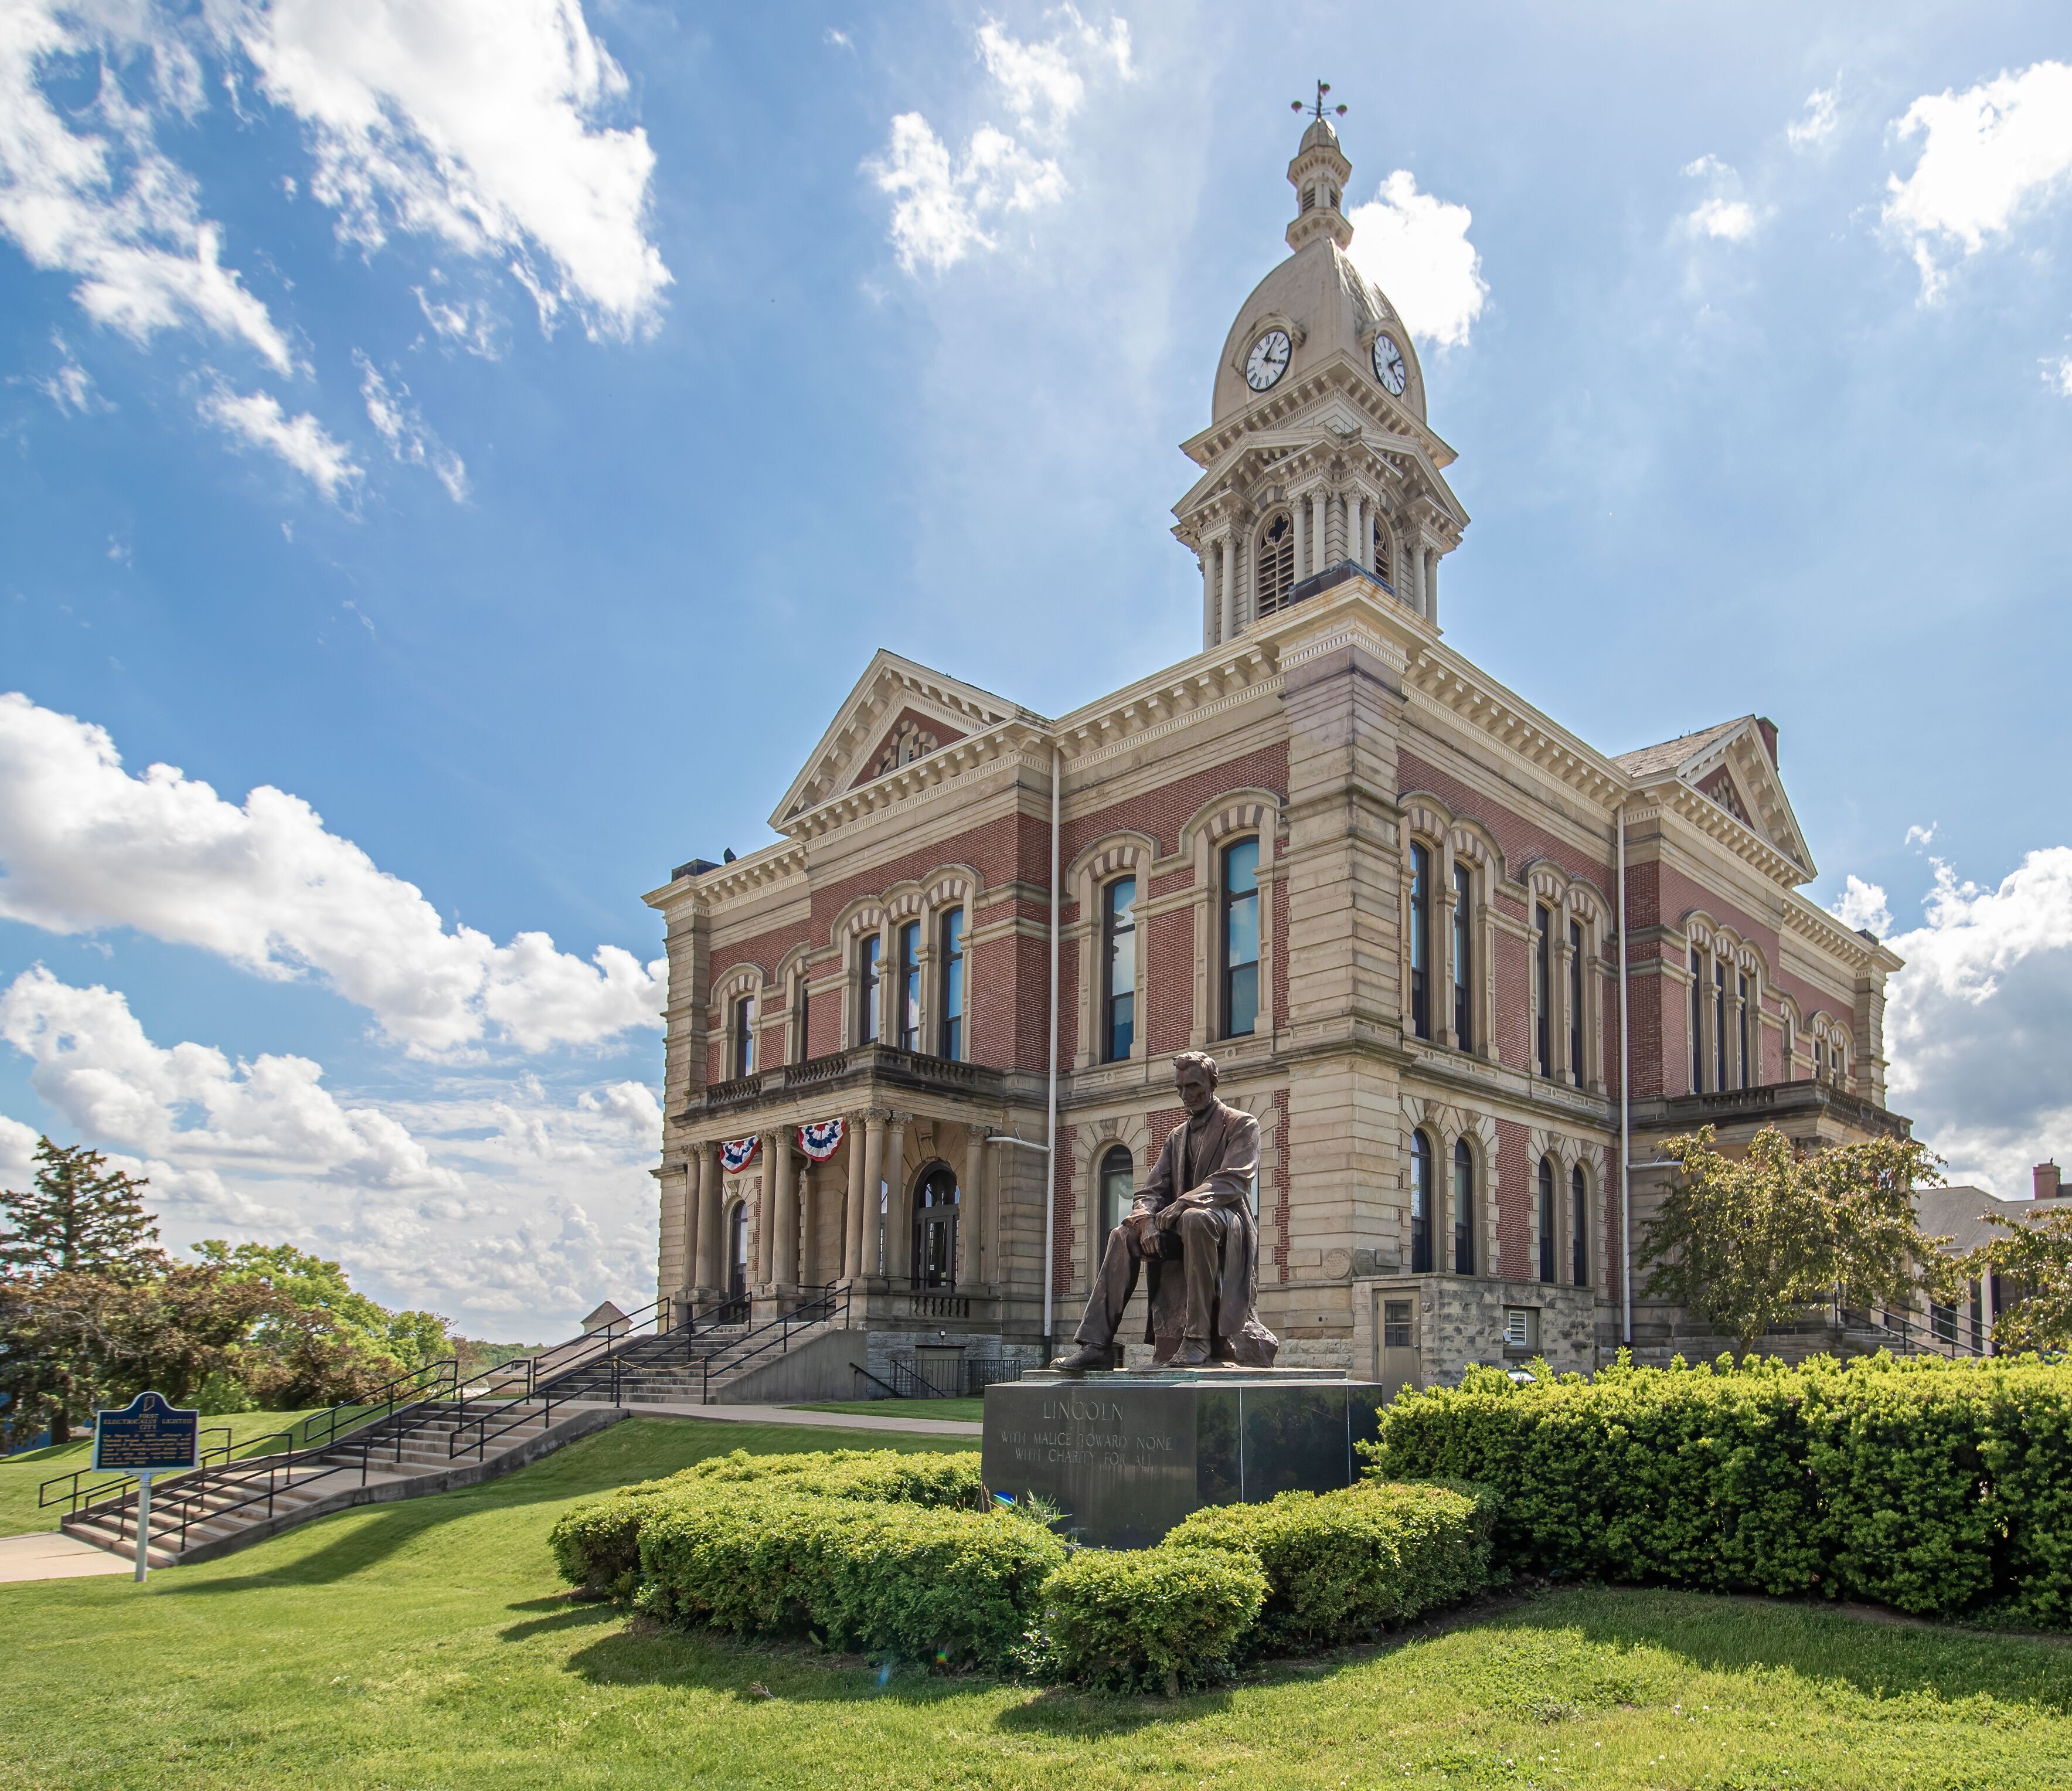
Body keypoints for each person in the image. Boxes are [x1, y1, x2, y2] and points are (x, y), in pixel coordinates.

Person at [1053, 1051, 1278, 1370]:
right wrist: (1144, 1219)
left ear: (1212, 1083)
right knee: (1124, 1234)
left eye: (1195, 1086)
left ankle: (1198, 1339)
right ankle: (1097, 1344)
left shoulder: (1242, 1124)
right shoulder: (1177, 1136)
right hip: (1181, 1223)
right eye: (1181, 1088)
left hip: (1228, 1224)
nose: (1188, 1096)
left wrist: (1183, 1204)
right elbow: (1151, 1190)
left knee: (1195, 1219)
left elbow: (1233, 1180)